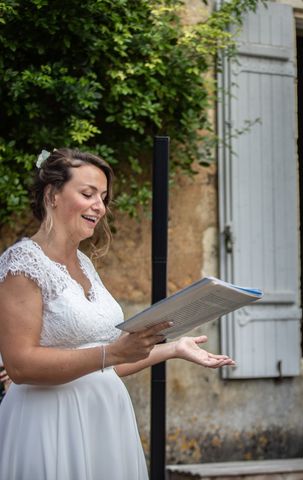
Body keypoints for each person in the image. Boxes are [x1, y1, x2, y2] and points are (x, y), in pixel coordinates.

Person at [0, 148, 236, 479]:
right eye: (88, 194)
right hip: (51, 422)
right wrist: (112, 351)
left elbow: (106, 361)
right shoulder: (23, 264)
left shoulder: (83, 264)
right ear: (52, 195)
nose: (100, 205)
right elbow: (20, 365)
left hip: (104, 418)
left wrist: (173, 348)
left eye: (104, 197)